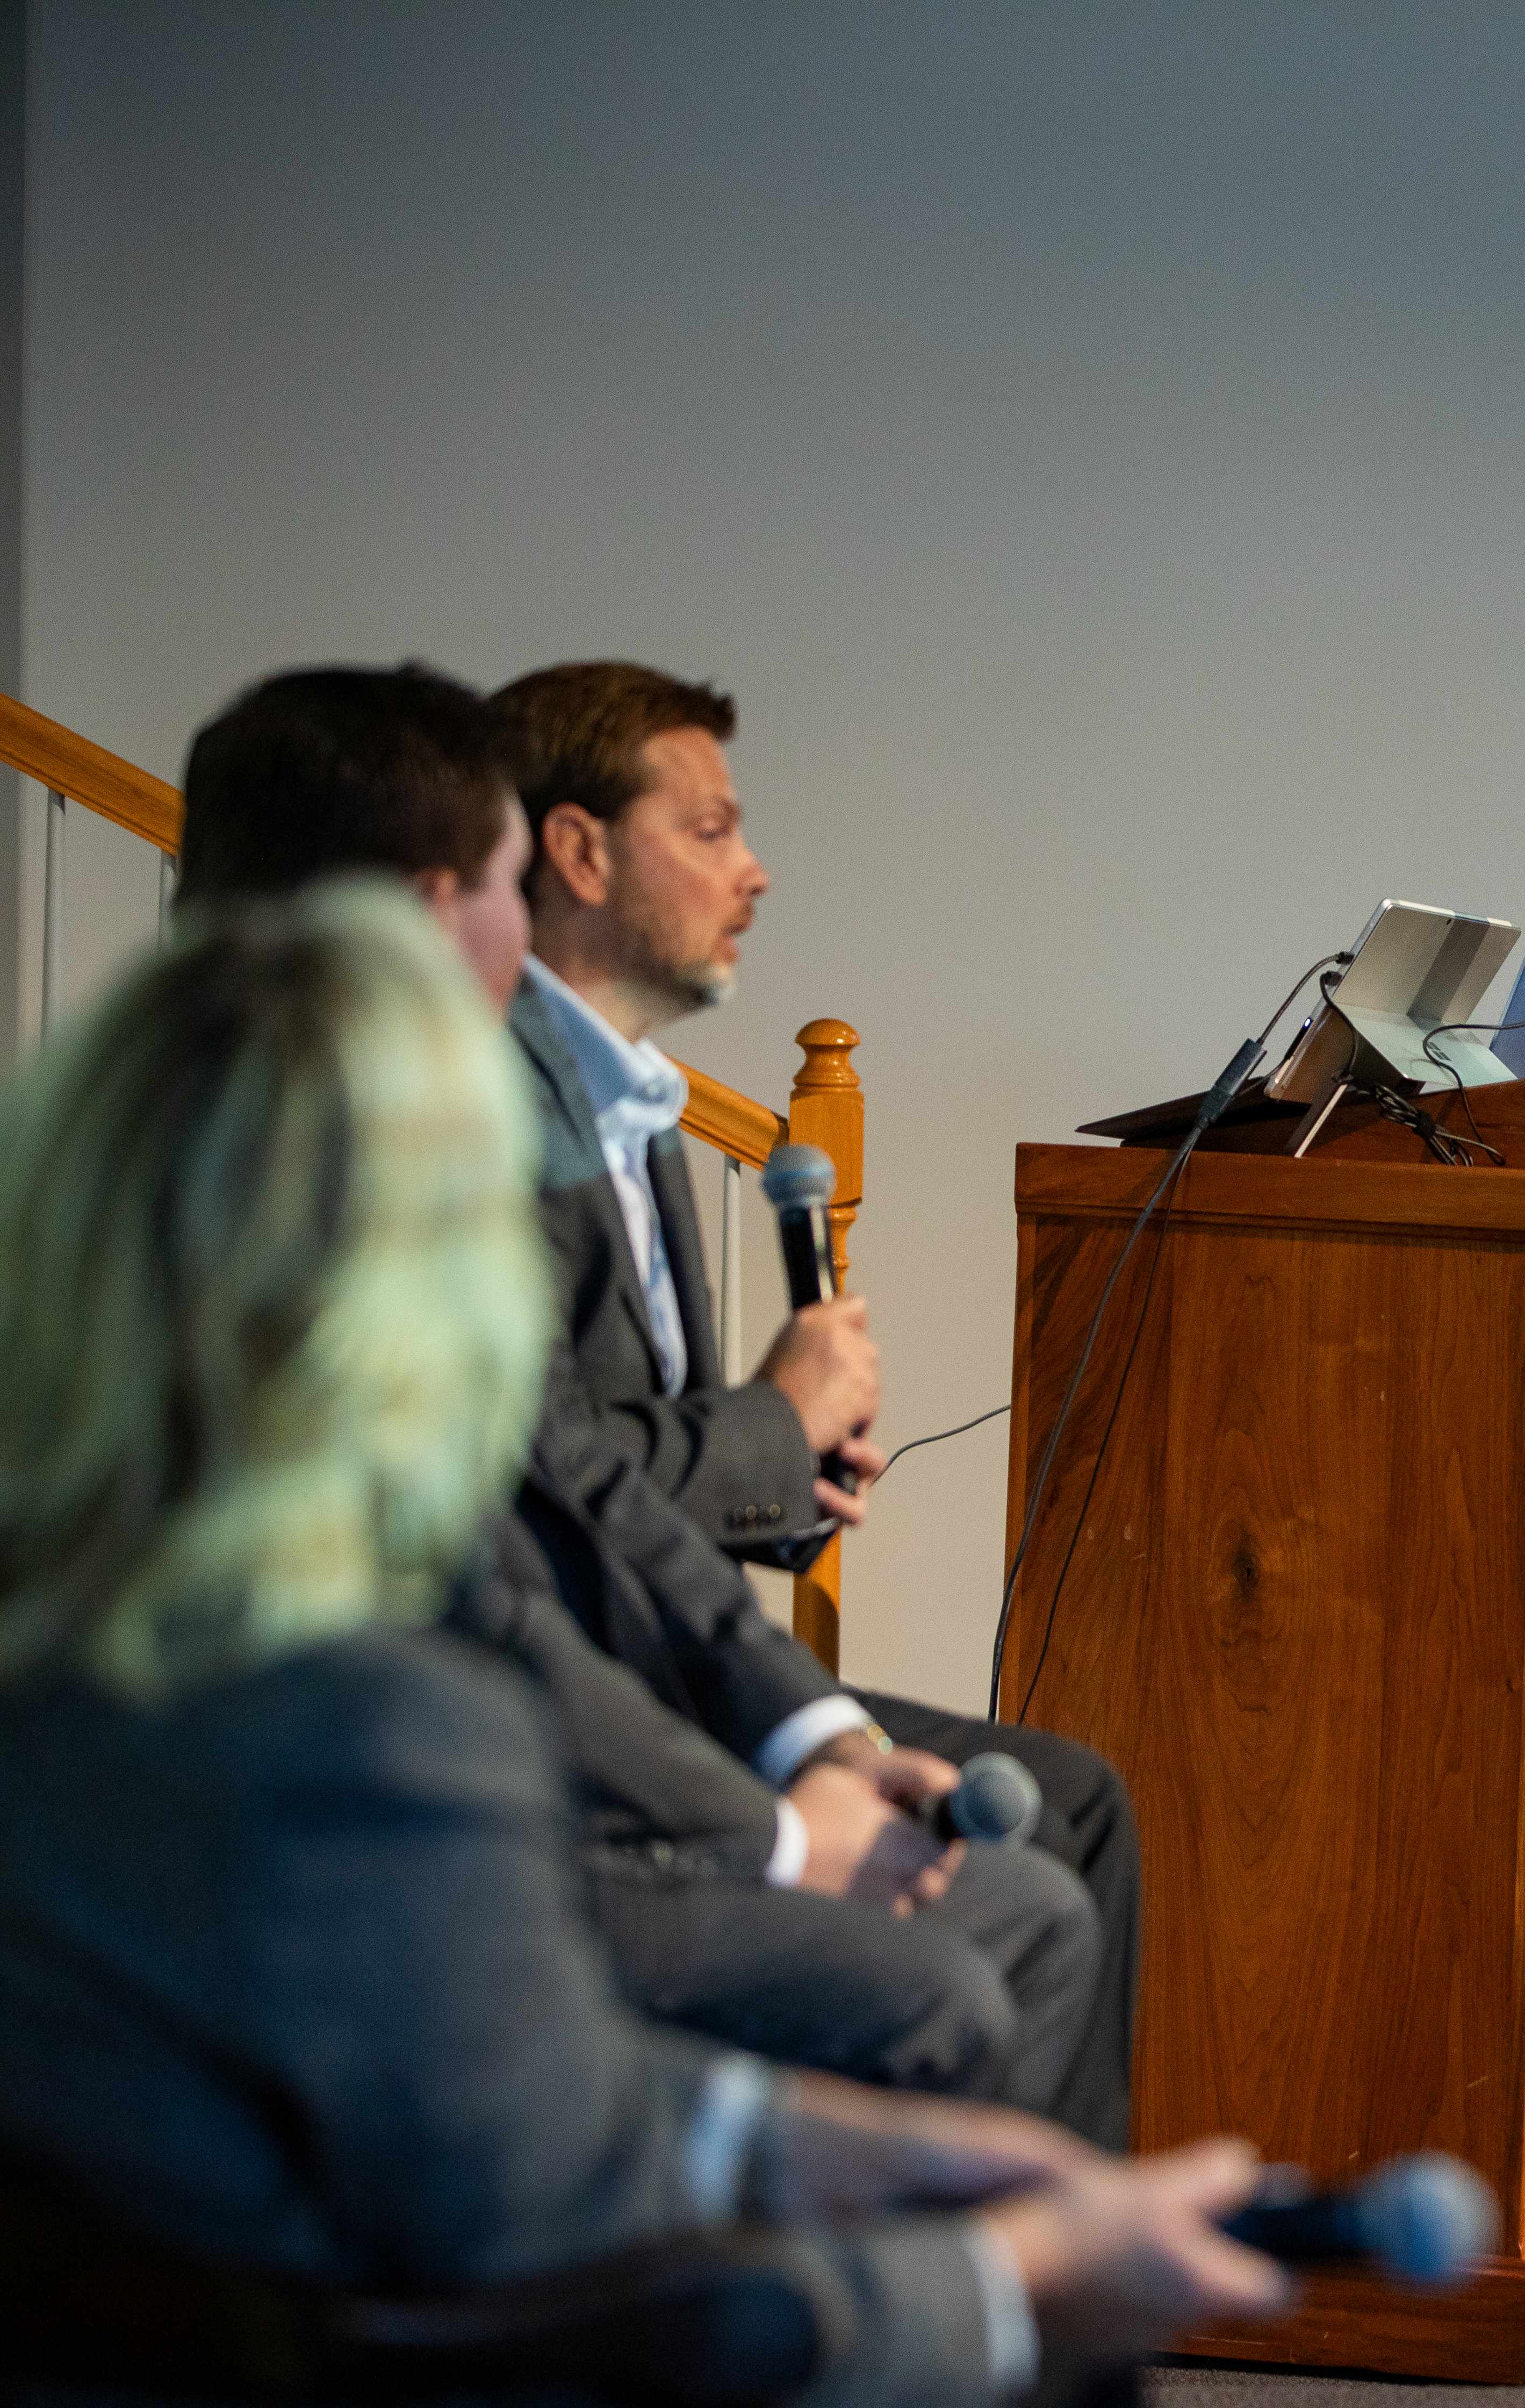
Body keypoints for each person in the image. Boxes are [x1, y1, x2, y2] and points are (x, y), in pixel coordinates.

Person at [0, 880, 1285, 2401]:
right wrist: (1007, 2285)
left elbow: (509, 2087)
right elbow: (591, 2298)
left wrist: (848, 2151)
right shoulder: (376, 1740)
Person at [174, 664, 1095, 2112]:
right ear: (439, 912)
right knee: (991, 1945)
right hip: (409, 1835)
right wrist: (781, 1834)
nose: (518, 939)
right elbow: (493, 1596)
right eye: (500, 881)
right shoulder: (363, 1176)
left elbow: (569, 1494)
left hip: (485, 1763)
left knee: (1032, 1876)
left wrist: (820, 1739)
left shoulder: (325, 1132)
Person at [492, 660, 1144, 2148]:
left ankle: (1043, 2293)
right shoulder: (489, 1106)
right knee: (1016, 1897)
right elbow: (536, 1479)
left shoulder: (640, 1103)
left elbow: (634, 1478)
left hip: (673, 1650)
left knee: (1079, 1799)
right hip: (570, 1705)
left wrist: (789, 1473)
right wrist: (773, 1424)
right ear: (582, 853)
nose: (756, 869)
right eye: (712, 828)